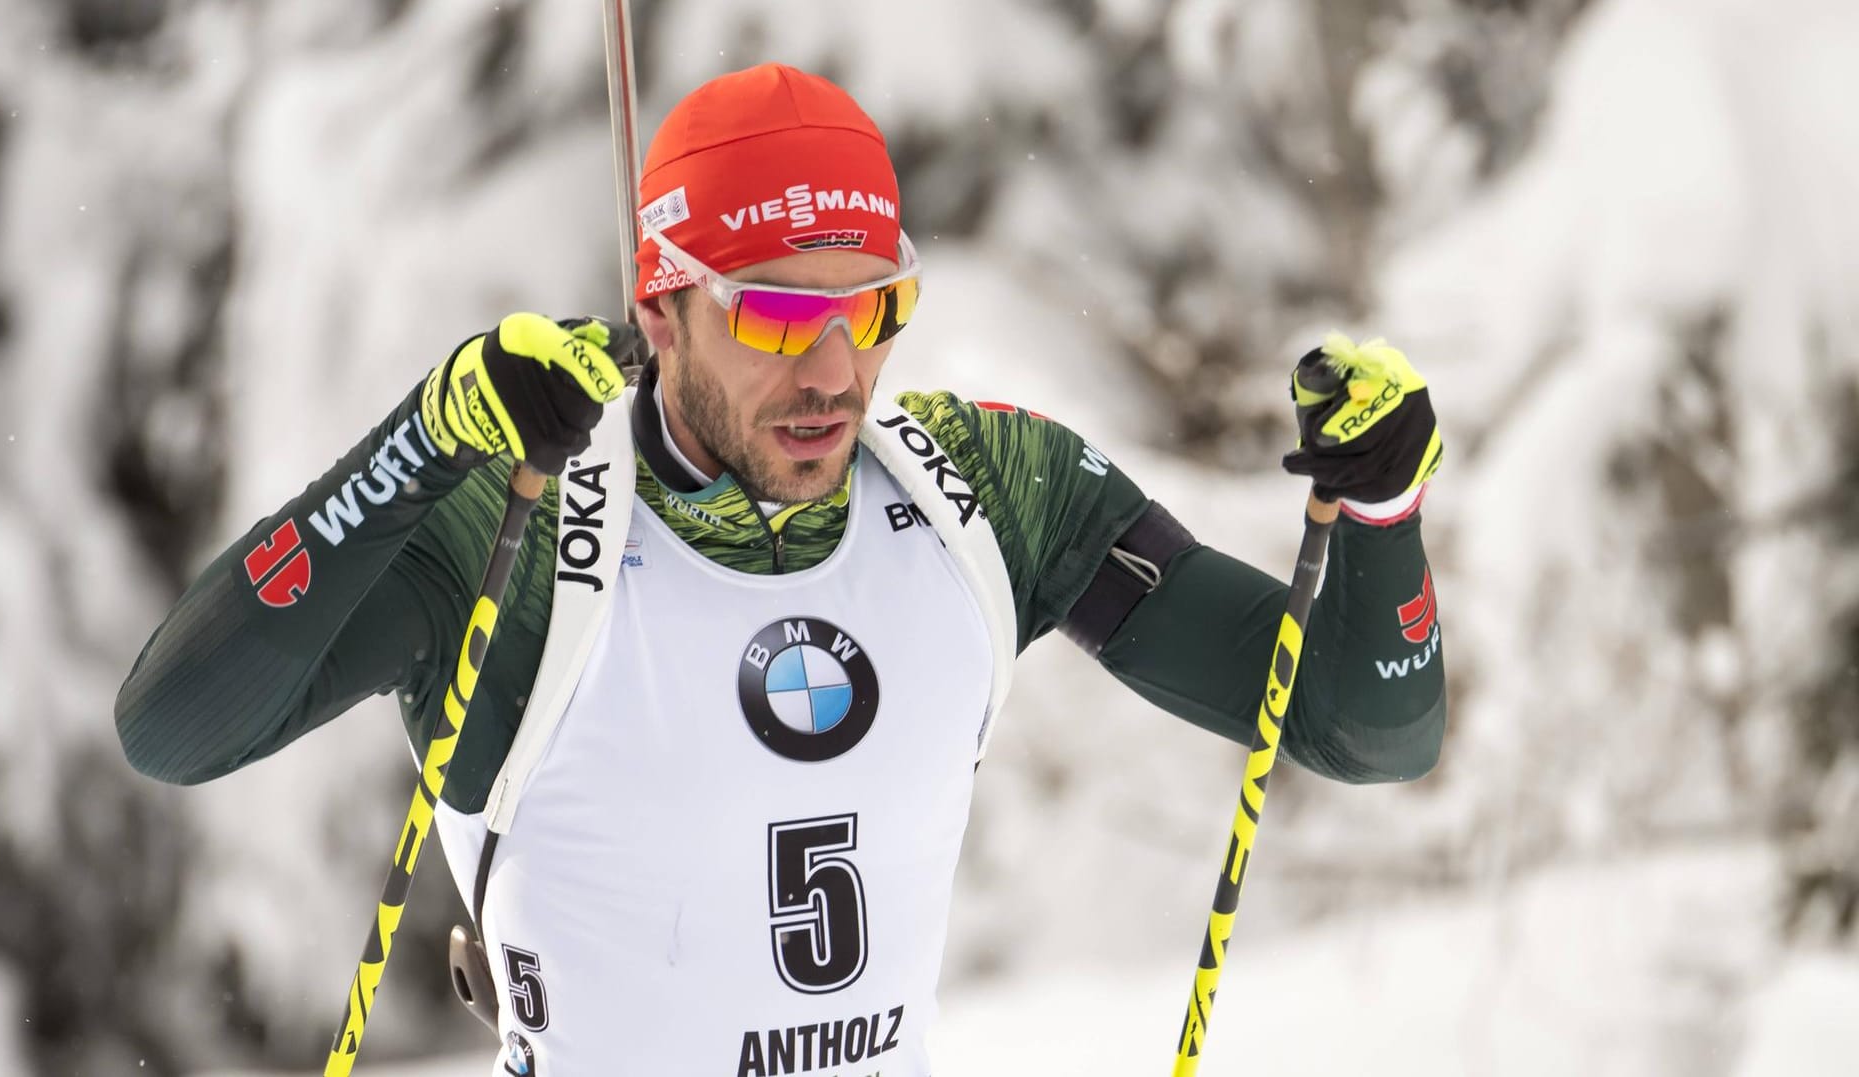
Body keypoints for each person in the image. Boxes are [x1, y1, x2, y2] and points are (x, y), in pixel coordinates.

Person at [115, 62, 1447, 1077]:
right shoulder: (514, 534)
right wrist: (421, 445)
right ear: (660, 306)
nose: (834, 372)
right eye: (774, 311)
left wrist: (1379, 505)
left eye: (870, 307)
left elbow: (1356, 722)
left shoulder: (982, 491)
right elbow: (172, 728)